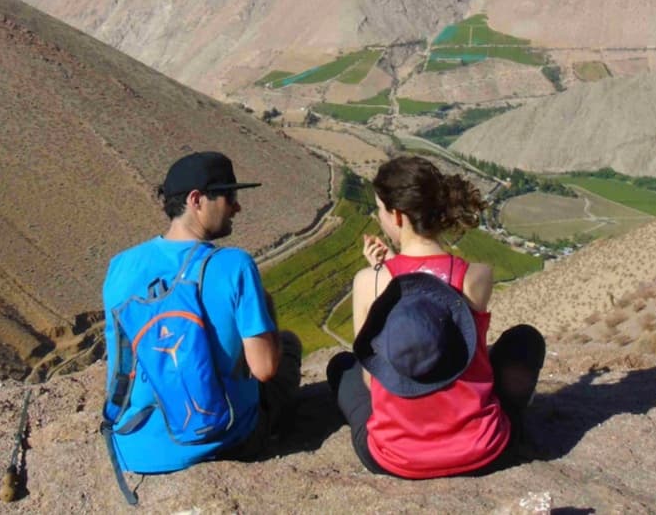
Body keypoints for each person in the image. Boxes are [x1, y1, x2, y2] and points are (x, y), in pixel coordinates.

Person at [327, 155, 546, 479]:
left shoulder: (369, 283)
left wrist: (384, 269)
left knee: (343, 366)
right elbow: (432, 299)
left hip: (396, 458)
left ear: (397, 215)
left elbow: (372, 380)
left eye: (380, 209)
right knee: (525, 338)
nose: (379, 217)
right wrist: (394, 262)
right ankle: (504, 418)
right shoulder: (476, 276)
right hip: (484, 452)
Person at [102, 151, 302, 478]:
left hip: (135, 448)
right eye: (229, 196)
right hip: (222, 440)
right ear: (196, 200)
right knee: (289, 344)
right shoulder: (235, 264)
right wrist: (267, 308)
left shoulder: (120, 266)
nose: (237, 207)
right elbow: (264, 369)